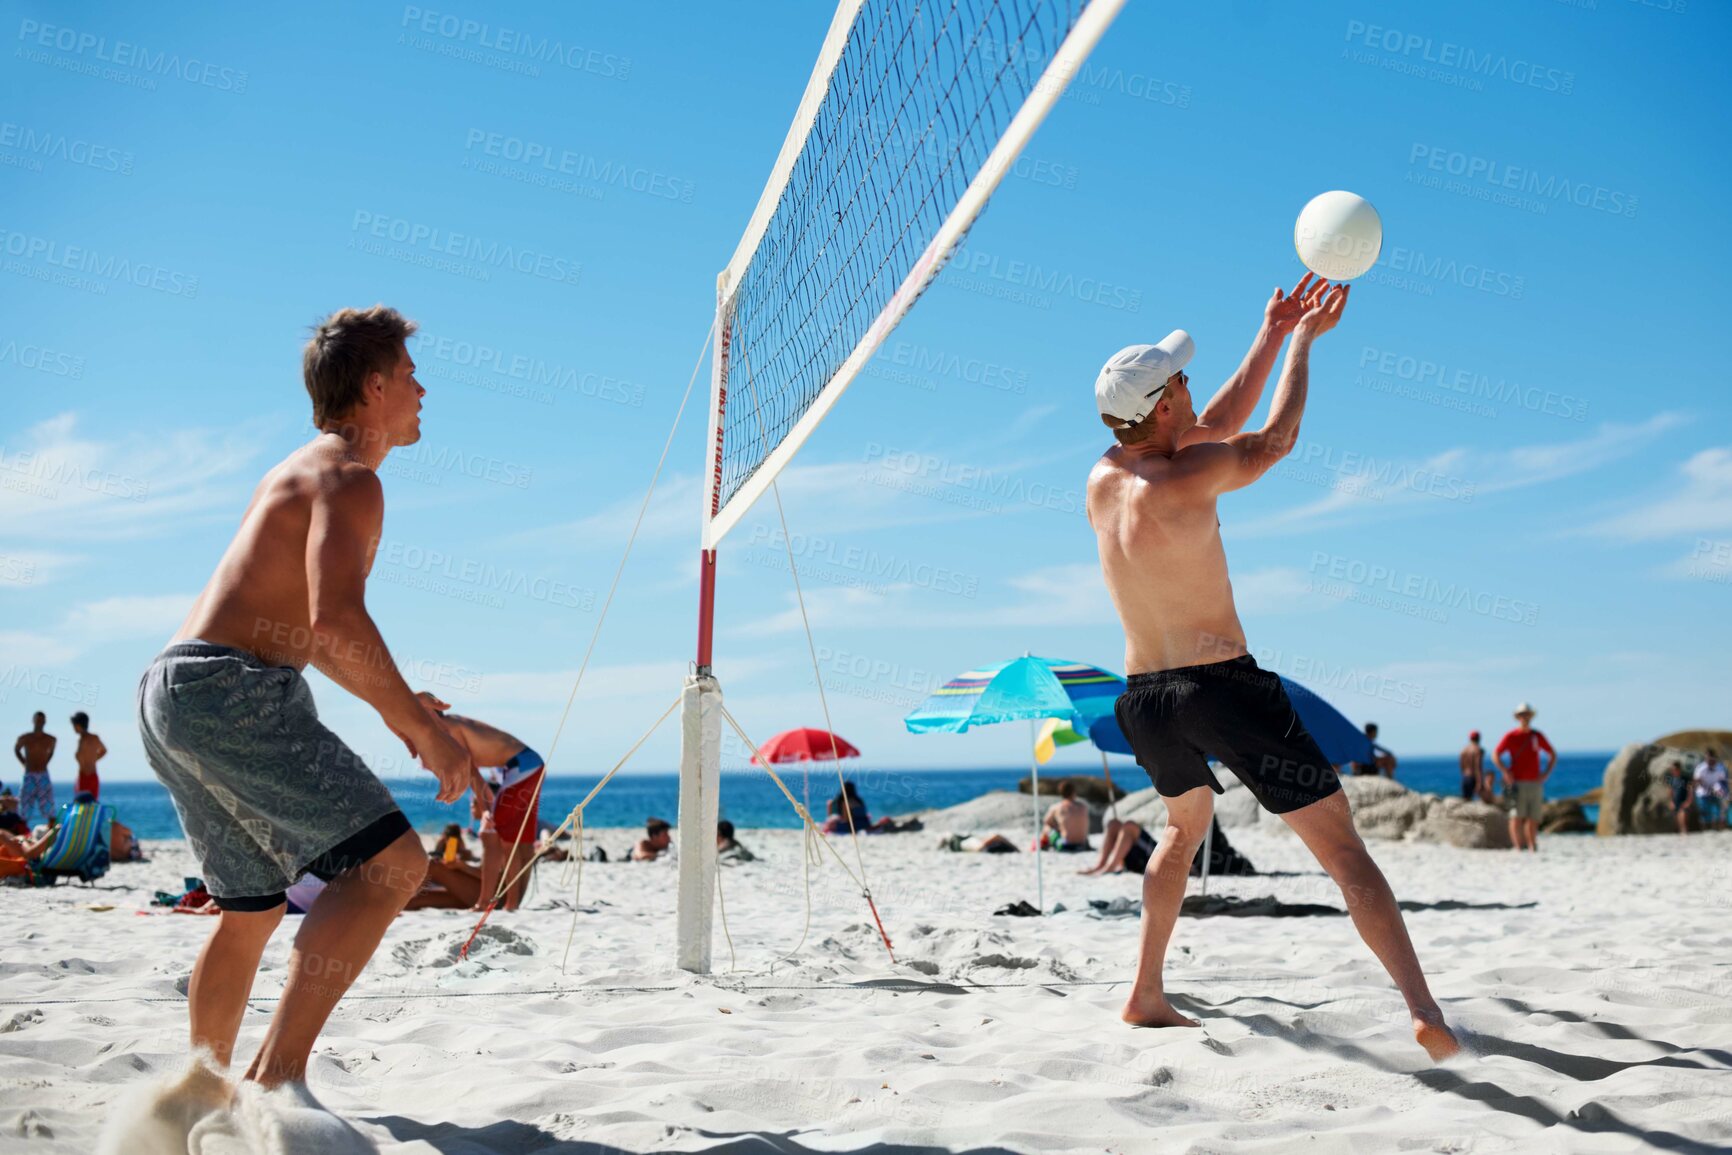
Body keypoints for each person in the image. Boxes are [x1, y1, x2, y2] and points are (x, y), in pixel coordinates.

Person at [1087, 274, 1457, 1059]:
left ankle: (1146, 992)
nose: (1189, 384)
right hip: (1221, 685)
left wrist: (1268, 330)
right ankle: (1426, 1011)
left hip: (1145, 699)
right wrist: (1301, 344)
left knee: (1181, 833)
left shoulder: (1106, 475)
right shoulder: (1187, 477)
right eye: (1178, 380)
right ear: (1159, 408)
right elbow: (1271, 439)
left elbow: (1211, 421)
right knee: (1343, 848)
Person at [132, 305, 470, 1133]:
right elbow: (333, 623)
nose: (424, 389)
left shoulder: (301, 469)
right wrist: (426, 734)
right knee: (392, 866)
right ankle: (278, 1082)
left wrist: (398, 701)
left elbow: (301, 625)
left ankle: (198, 1096)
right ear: (376, 384)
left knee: (249, 907)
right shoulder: (353, 476)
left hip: (172, 687)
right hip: (229, 688)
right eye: (412, 374)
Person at [415, 693, 544, 912]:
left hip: (521, 766)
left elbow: (471, 773)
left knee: (506, 840)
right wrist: (486, 809)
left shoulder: (447, 727)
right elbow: (473, 774)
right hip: (518, 766)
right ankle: (490, 902)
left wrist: (486, 810)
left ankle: (510, 905)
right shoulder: (448, 727)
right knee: (500, 837)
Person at [1494, 702, 1555, 852]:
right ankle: (1518, 847)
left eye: (1527, 714)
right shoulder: (1511, 736)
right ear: (1517, 717)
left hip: (1534, 782)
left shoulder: (1537, 736)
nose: (1524, 717)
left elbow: (1552, 754)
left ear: (1531, 716)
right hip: (1516, 783)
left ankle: (1532, 845)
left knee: (1533, 818)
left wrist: (1546, 773)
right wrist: (1505, 771)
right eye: (1522, 715)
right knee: (1516, 817)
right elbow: (1496, 754)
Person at [13, 712, 56, 828]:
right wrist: (24, 763)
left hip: (43, 774)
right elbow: (16, 749)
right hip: (29, 775)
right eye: (38, 720)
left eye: (42, 720)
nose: (40, 723)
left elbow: (51, 752)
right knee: (24, 805)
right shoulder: (25, 738)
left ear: (45, 722)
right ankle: (22, 833)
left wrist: (45, 762)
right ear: (33, 721)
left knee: (48, 805)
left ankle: (52, 833)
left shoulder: (50, 739)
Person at [1042, 780, 1092, 851]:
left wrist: (1057, 827)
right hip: (1083, 844)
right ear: (1074, 792)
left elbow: (1045, 821)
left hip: (1065, 845)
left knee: (1046, 828)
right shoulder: (1083, 806)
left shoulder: (1057, 807)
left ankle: (1043, 845)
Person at [70, 712, 106, 800]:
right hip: (88, 775)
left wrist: (94, 759)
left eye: (74, 725)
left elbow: (103, 751)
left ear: (79, 725)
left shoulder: (88, 739)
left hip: (85, 776)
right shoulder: (89, 738)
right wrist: (94, 759)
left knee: (81, 804)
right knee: (90, 803)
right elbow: (103, 751)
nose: (74, 728)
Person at [1692, 748, 1728, 832]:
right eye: (1706, 758)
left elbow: (1723, 781)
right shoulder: (1700, 768)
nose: (1708, 760)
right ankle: (1704, 830)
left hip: (1716, 792)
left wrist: (1721, 791)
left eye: (1710, 758)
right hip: (1703, 792)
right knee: (1703, 812)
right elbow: (1696, 781)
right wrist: (1700, 783)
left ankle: (1716, 829)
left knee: (1717, 811)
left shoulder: (1720, 767)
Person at [1459, 731, 1491, 802]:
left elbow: (1462, 766)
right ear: (1479, 739)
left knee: (1466, 800)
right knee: (1486, 799)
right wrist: (1479, 782)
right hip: (1474, 778)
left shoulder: (1463, 750)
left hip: (1465, 777)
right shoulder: (1478, 750)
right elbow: (1478, 767)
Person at [1664, 762, 1693, 836]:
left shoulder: (1685, 779)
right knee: (1676, 825)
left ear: (1679, 769)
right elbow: (1670, 791)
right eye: (1672, 769)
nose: (1673, 771)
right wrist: (1671, 802)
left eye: (1675, 769)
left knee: (1683, 823)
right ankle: (1679, 842)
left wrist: (1688, 802)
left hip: (1684, 803)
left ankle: (1685, 839)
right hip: (1675, 803)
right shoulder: (1672, 780)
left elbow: (1690, 791)